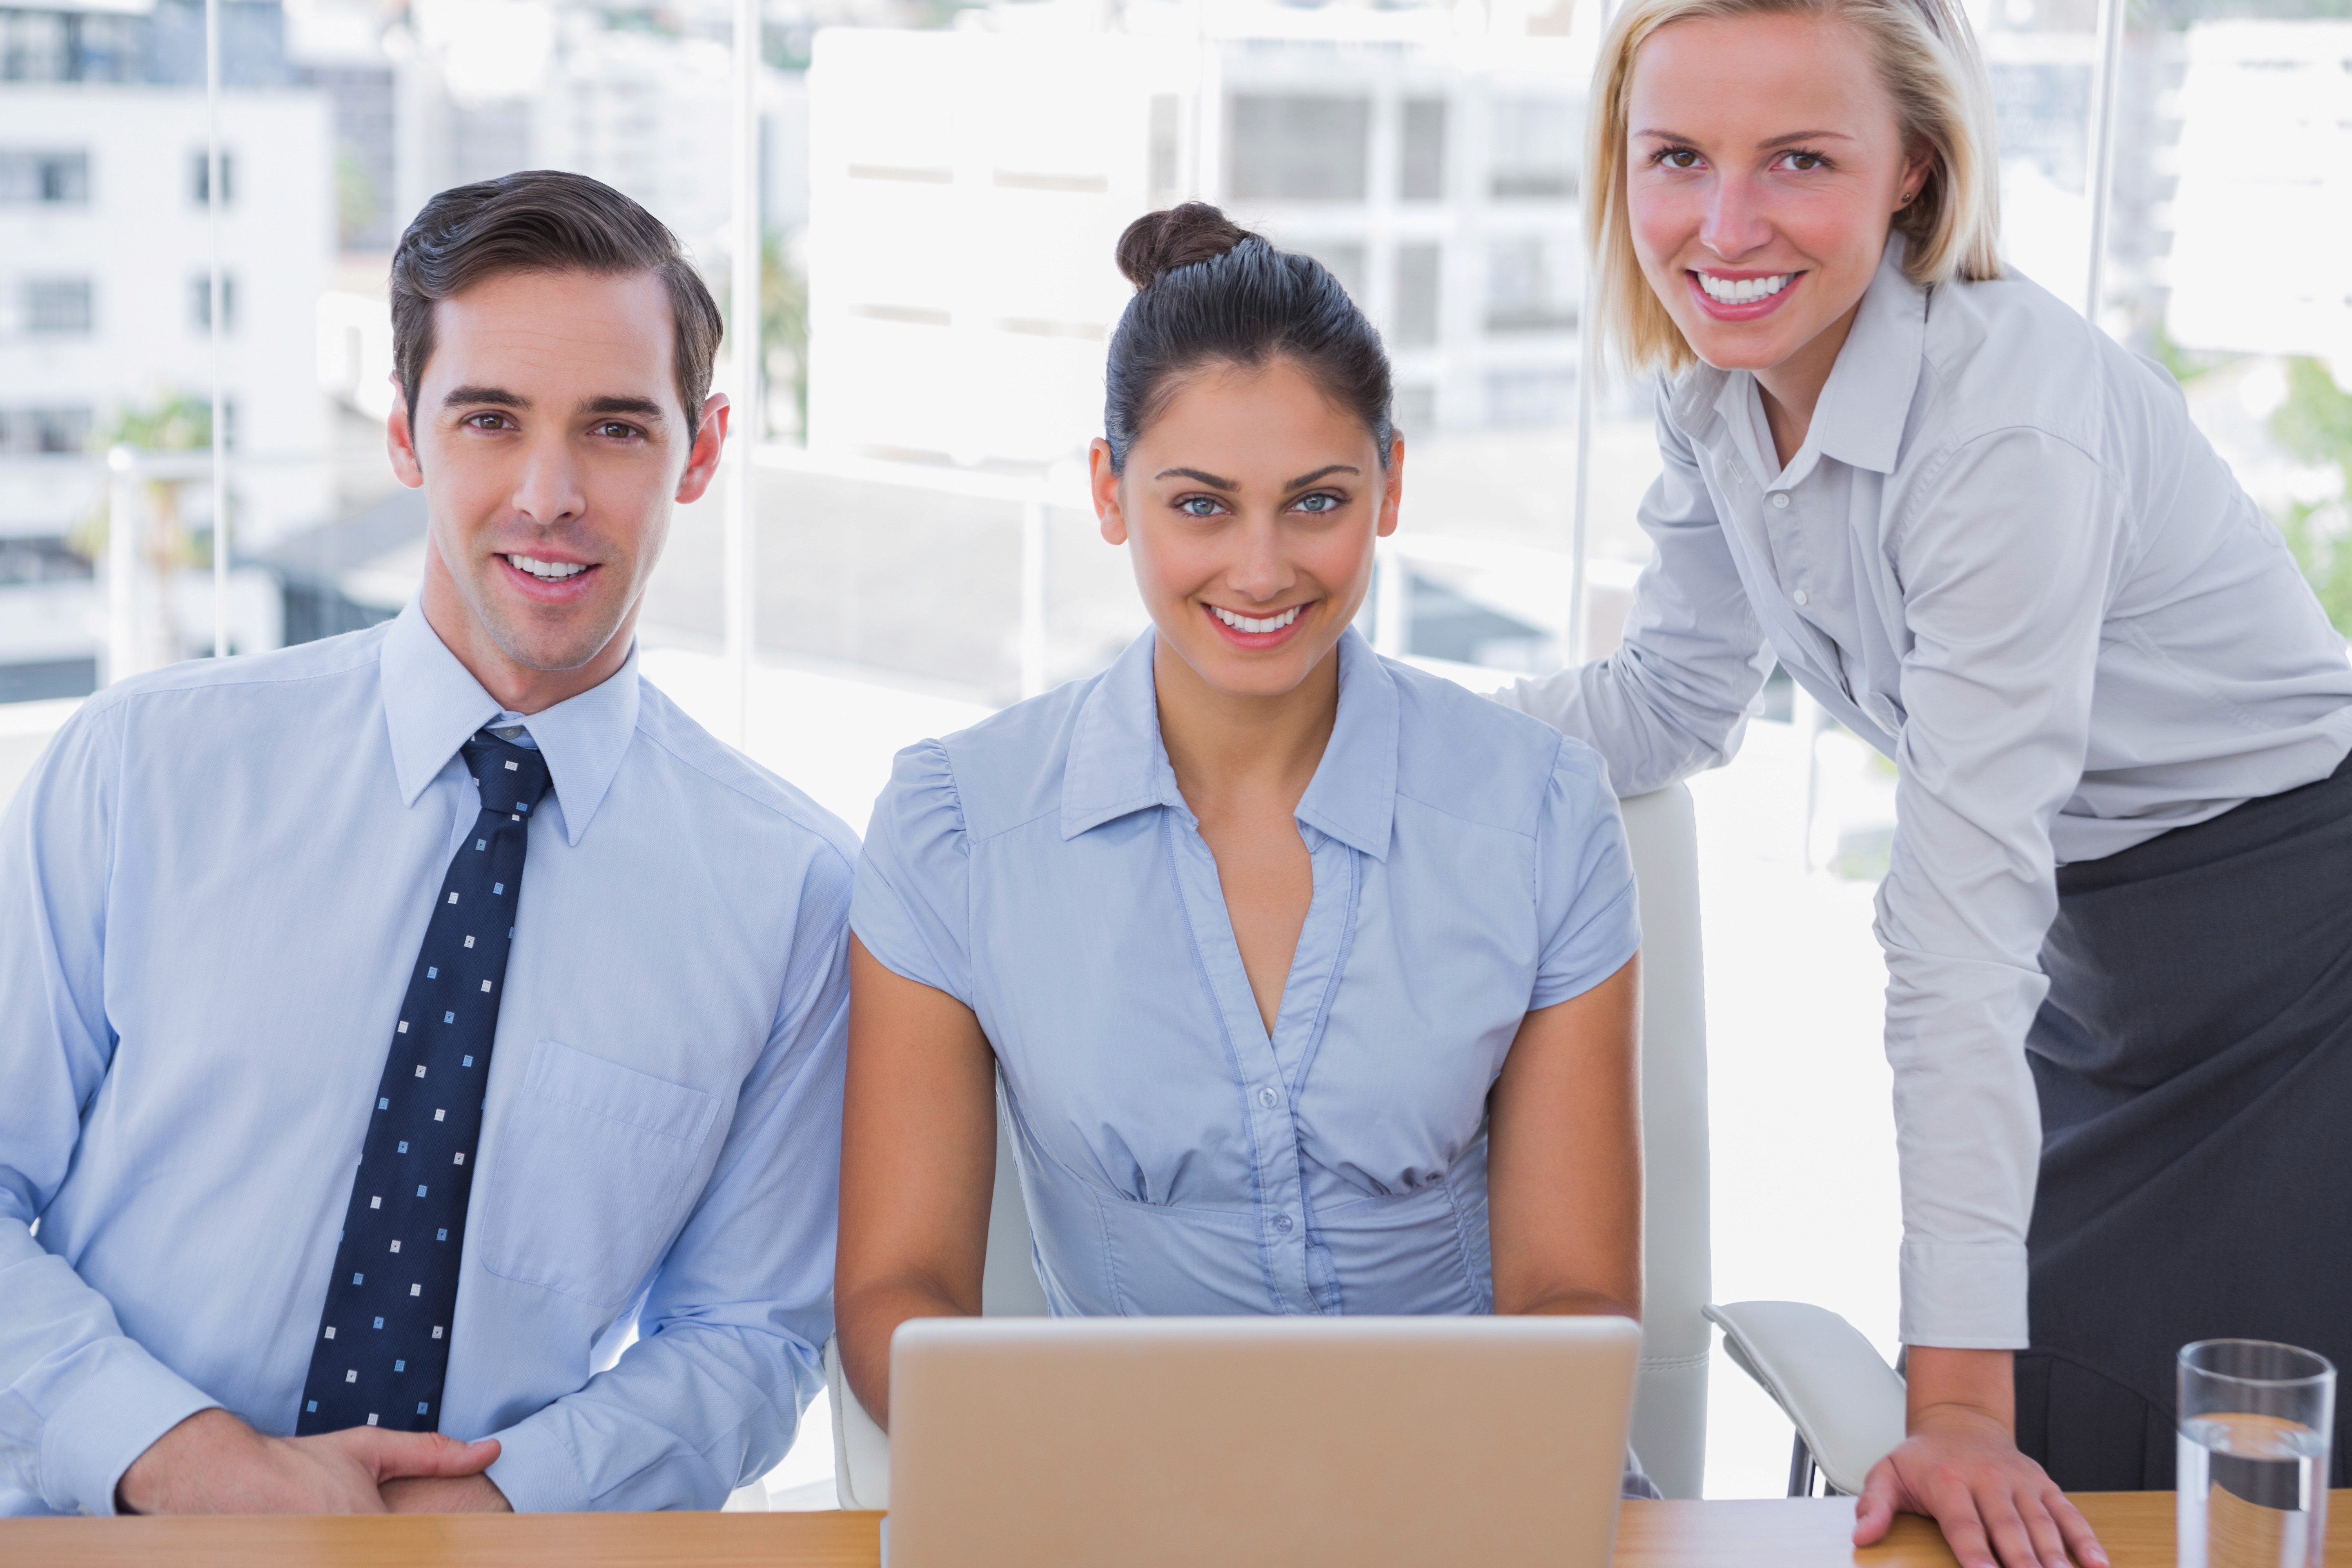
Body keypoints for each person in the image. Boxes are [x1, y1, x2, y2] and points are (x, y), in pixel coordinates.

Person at [1504, 0, 2352, 1561]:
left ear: (1913, 171)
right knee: (2055, 1429)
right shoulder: (1717, 387)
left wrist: (1956, 1399)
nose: (1724, 225)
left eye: (1801, 160)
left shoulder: (2004, 423)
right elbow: (1675, 701)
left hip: (2303, 947)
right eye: (1676, 157)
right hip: (2108, 968)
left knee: (2139, 1443)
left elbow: (1957, 919)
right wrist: (1354, 727)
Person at [0, 170, 858, 1517]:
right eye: (489, 420)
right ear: (404, 432)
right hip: (104, 1536)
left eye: (618, 429)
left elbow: (750, 1335)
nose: (549, 493)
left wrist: (493, 1510)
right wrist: (185, 1460)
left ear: (701, 449)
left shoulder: (793, 894)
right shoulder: (144, 770)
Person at [837, 205, 1658, 1496]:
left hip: (1472, 1503)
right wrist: (1073, 1472)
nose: (1263, 570)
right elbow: (900, 1290)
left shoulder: (1542, 817)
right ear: (1111, 494)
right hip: (1114, 1504)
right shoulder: (957, 831)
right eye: (1201, 505)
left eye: (1317, 502)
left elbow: (1572, 1296)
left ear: (1390, 485)